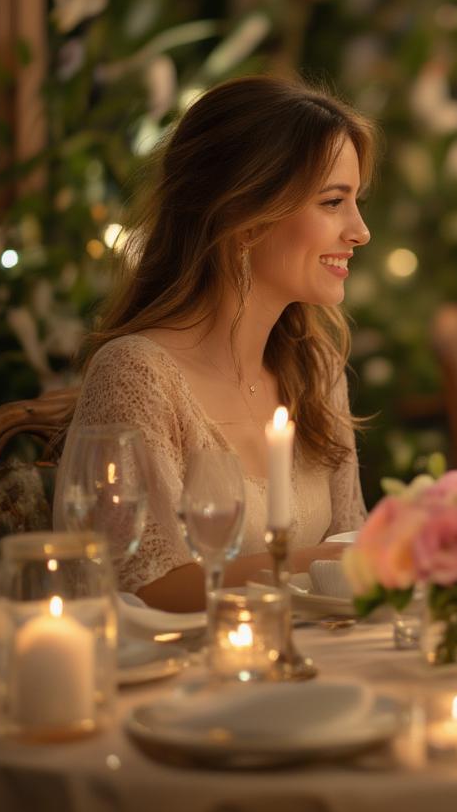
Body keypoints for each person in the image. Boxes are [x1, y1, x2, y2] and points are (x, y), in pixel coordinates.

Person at [55, 75, 374, 611]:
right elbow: (136, 587)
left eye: (355, 201)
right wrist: (319, 562)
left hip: (312, 673)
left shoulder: (316, 371)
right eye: (333, 202)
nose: (360, 230)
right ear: (244, 216)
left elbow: (348, 551)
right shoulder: (137, 375)